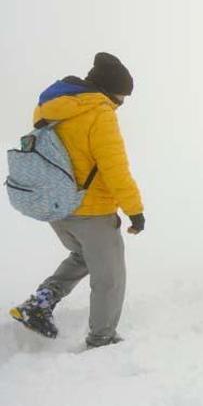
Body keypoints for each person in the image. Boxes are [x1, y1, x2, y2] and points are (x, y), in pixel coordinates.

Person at [9, 52, 145, 348]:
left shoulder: (52, 108)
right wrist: (135, 211)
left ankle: (40, 303)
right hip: (92, 210)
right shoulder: (99, 113)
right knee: (109, 278)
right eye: (122, 94)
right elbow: (114, 168)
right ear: (111, 89)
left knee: (83, 257)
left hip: (57, 206)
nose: (122, 102)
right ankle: (102, 338)